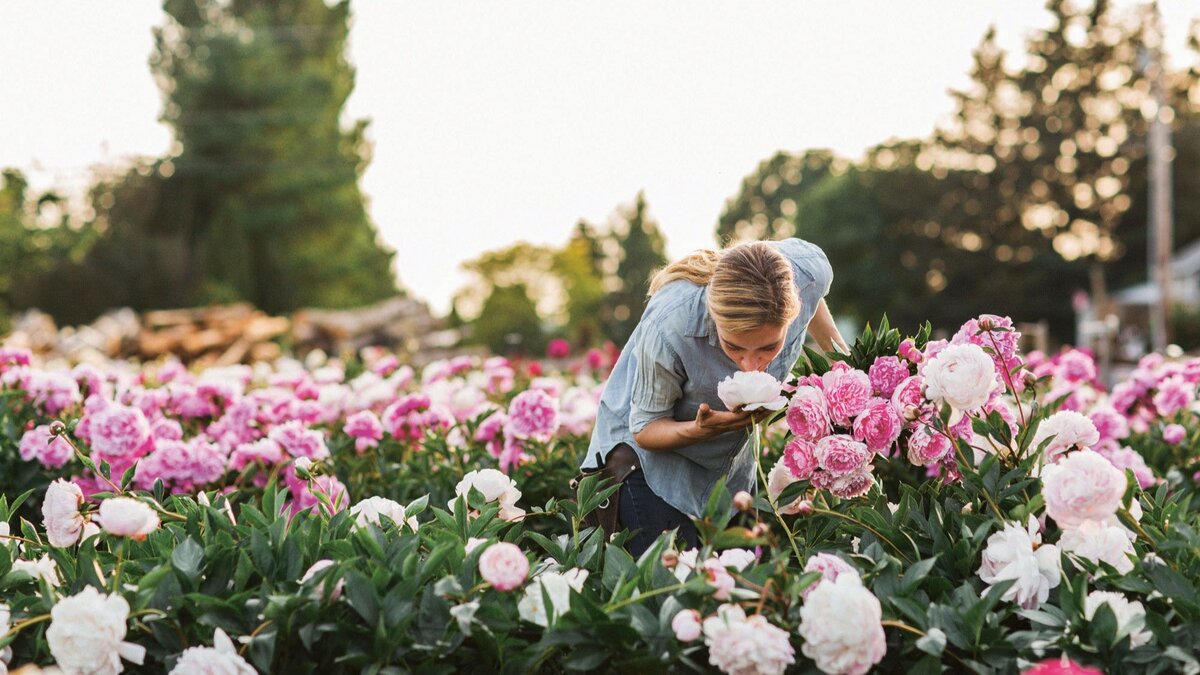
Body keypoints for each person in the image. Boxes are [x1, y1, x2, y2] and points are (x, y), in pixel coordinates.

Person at [581, 239, 848, 556]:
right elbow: (646, 428)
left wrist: (843, 366)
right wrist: (702, 429)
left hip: (728, 469)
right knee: (672, 594)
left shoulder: (807, 271)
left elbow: (812, 298)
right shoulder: (670, 323)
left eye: (768, 347)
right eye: (733, 346)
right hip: (648, 464)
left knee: (739, 588)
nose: (752, 365)